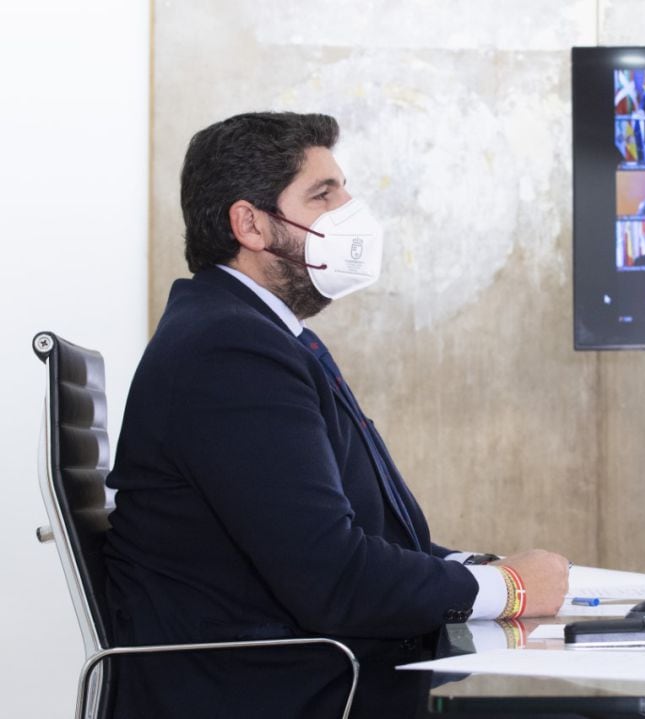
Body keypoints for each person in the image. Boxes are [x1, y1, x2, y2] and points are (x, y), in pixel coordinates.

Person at [103, 112, 570, 716]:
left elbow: (352, 535)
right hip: (291, 693)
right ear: (250, 224)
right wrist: (509, 589)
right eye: (323, 194)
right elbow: (336, 577)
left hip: (302, 679)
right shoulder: (229, 351)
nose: (351, 210)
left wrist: (474, 568)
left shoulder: (253, 333)